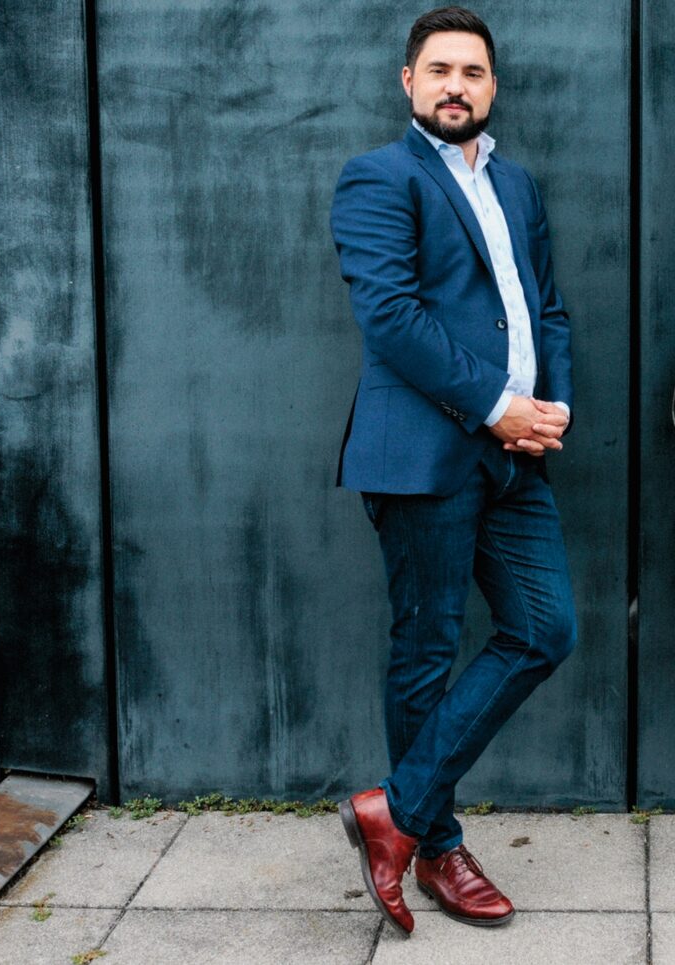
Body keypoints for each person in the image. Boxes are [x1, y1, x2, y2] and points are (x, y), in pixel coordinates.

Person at [330, 5, 577, 938]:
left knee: (545, 628)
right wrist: (496, 404)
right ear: (409, 81)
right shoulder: (379, 177)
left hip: (517, 455)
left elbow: (545, 306)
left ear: (492, 85)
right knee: (425, 650)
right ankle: (436, 844)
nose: (455, 86)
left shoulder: (516, 184)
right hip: (423, 454)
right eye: (439, 70)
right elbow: (391, 317)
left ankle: (394, 810)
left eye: (472, 72)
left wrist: (548, 405)